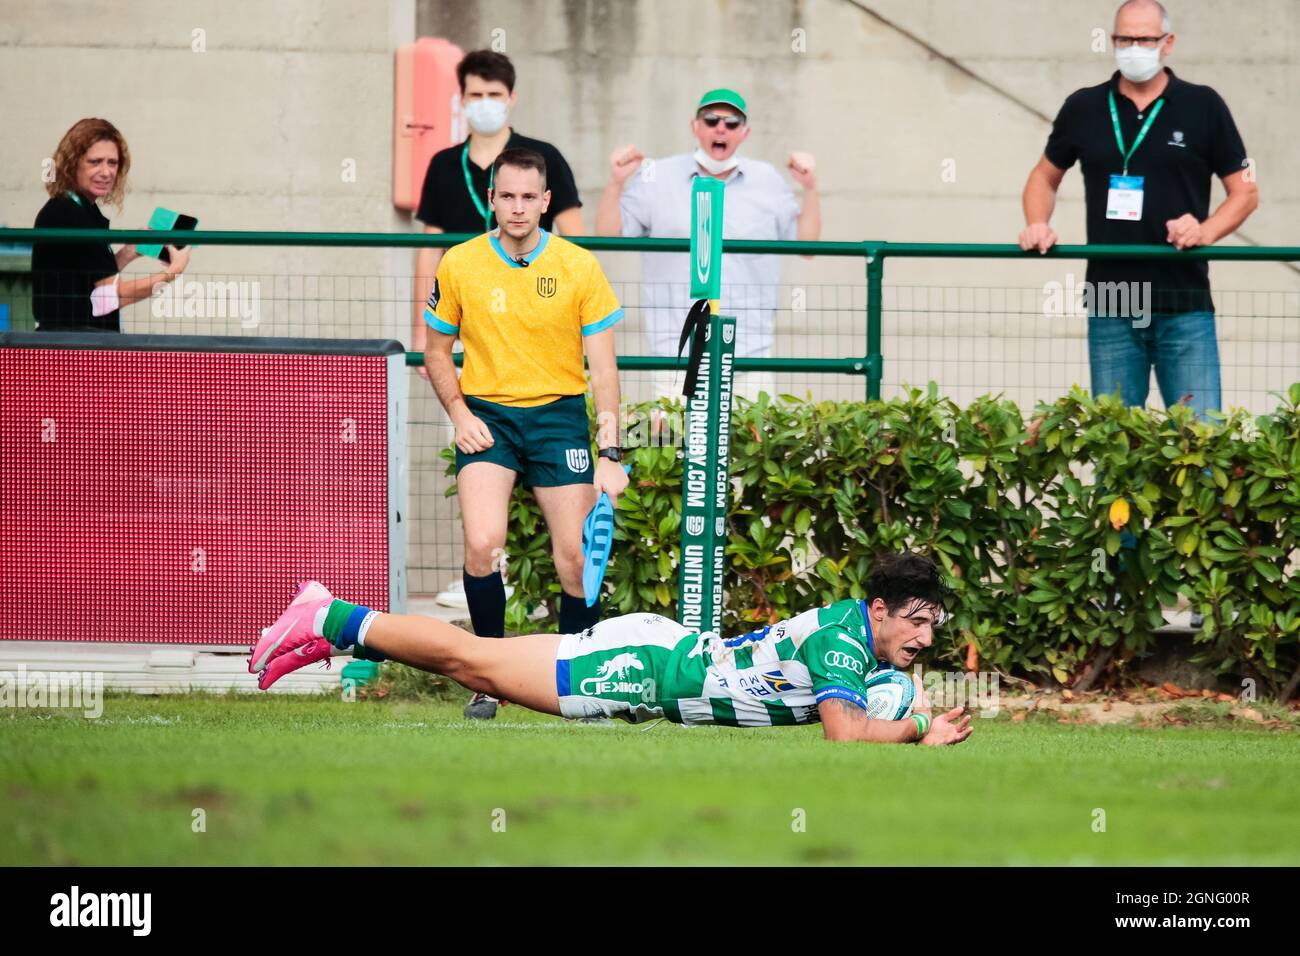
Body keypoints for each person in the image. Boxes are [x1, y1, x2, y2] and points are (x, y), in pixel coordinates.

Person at [249, 552, 973, 746]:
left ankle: (331, 626)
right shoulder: (846, 641)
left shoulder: (854, 632)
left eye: (933, 625)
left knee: (480, 662)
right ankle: (331, 613)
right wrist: (914, 729)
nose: (925, 637)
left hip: (654, 666)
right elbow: (846, 735)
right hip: (642, 670)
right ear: (879, 610)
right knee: (476, 662)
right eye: (915, 621)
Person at [419, 147, 629, 721]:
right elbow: (436, 352)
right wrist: (460, 415)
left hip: (559, 415)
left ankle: (575, 685)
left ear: (546, 201)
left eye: (528, 197)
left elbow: (604, 366)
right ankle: (488, 680)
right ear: (492, 199)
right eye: (506, 196)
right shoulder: (460, 262)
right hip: (488, 417)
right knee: (484, 544)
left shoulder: (578, 265)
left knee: (574, 559)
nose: (517, 207)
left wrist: (609, 450)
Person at [1017, 0, 1258, 419]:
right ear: (1112, 41)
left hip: (1184, 299)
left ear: (1167, 43)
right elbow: (1043, 176)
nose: (1135, 47)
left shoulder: (1203, 105)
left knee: (1200, 442)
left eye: (1145, 38)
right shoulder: (1085, 106)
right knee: (1114, 446)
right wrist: (1038, 223)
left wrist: (1204, 230)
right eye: (1125, 38)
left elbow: (1246, 192)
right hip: (1112, 298)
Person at [595, 88, 821, 400]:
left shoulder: (767, 180)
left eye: (731, 123)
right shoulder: (657, 175)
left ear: (744, 132)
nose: (720, 128)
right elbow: (608, 237)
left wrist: (810, 188)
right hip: (674, 350)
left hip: (748, 351)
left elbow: (807, 247)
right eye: (711, 119)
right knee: (674, 445)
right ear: (695, 126)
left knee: (751, 447)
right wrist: (616, 182)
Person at [410, 50, 584, 374]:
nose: (485, 102)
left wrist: (571, 315)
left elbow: (576, 242)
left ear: (511, 98)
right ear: (461, 99)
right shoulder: (443, 165)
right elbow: (429, 250)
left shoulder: (545, 157)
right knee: (462, 422)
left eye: (494, 94)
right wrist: (422, 333)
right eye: (476, 95)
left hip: (534, 313)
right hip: (462, 314)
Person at [32, 118, 190, 332]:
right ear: (72, 164)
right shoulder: (67, 212)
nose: (106, 172)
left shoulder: (82, 210)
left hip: (81, 342)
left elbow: (89, 280)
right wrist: (172, 272)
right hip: (72, 347)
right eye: (95, 162)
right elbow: (108, 298)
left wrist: (129, 251)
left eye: (112, 163)